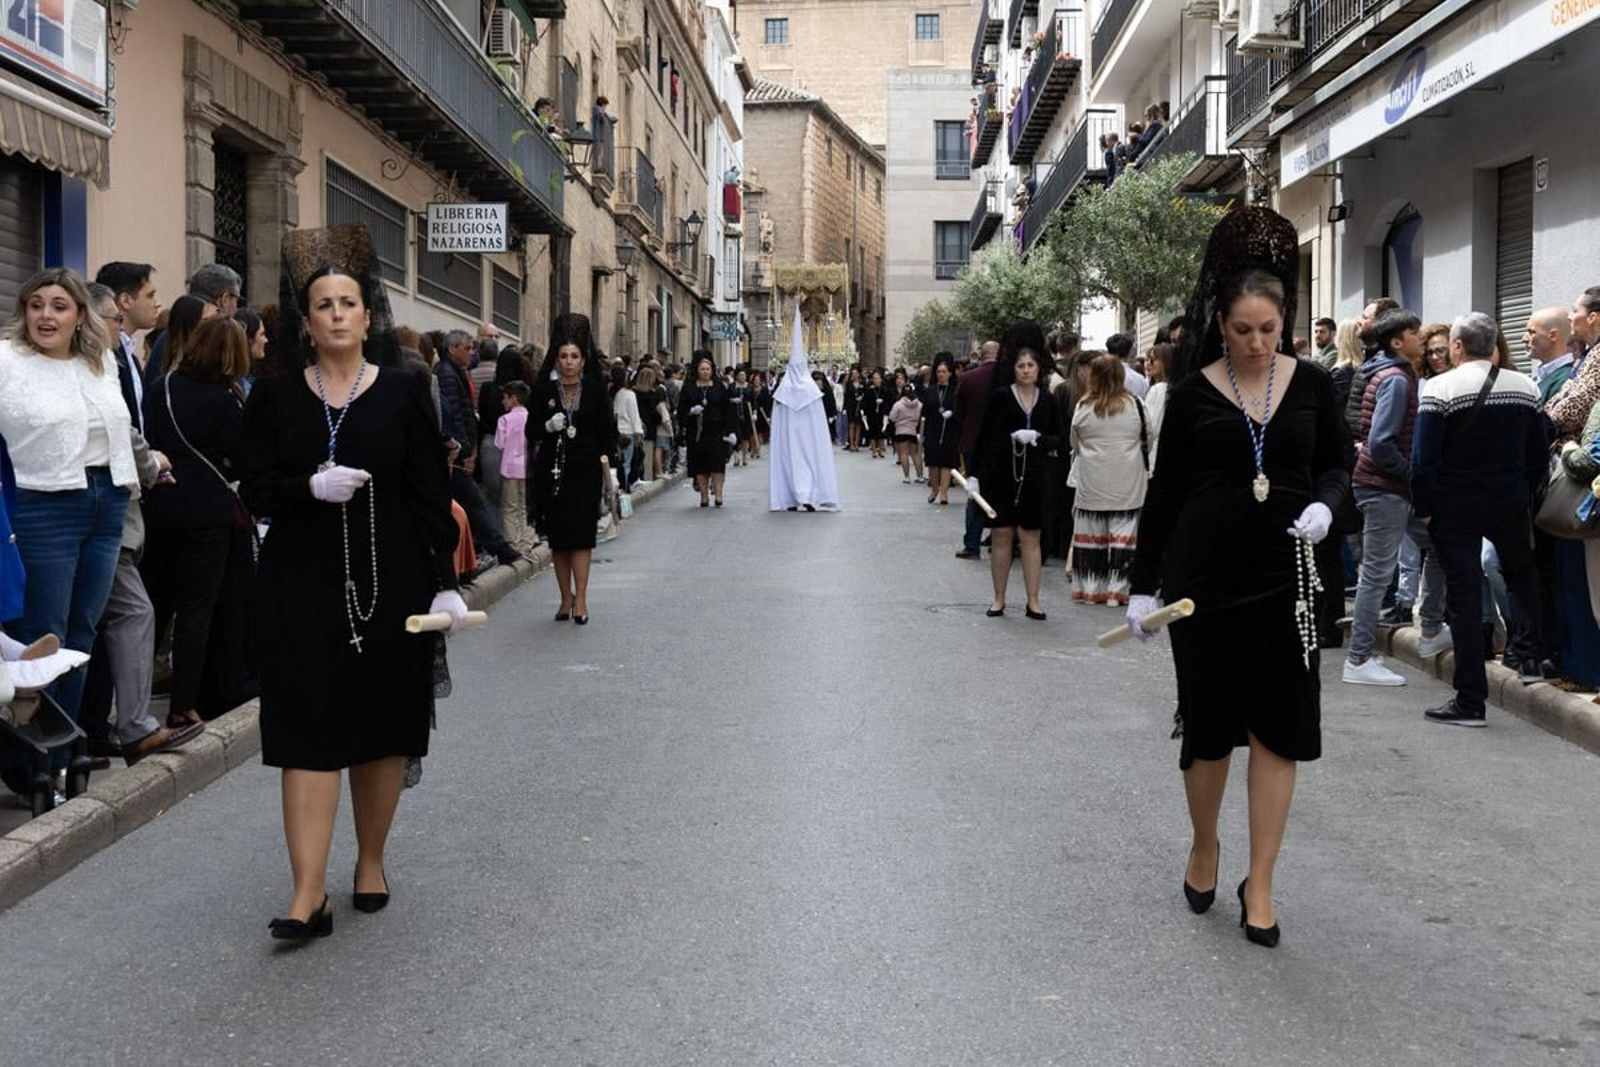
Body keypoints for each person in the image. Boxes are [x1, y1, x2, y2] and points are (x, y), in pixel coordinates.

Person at [1126, 207, 1348, 948]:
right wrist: (1141, 582)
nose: (1258, 342)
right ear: (1220, 324)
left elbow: (1338, 468)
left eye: (1269, 328)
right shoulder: (1190, 397)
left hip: (1288, 578)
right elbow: (1164, 494)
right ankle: (1203, 843)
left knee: (1277, 730)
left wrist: (1324, 504)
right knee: (1211, 729)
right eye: (1244, 329)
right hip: (1205, 583)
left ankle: (1262, 879)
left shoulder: (1314, 385)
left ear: (1286, 320)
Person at [241, 224, 467, 939]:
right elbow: (256, 487)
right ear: (306, 324)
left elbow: (432, 495)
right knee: (305, 732)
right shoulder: (275, 399)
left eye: (348, 302)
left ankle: (370, 859)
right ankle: (307, 893)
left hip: (390, 585)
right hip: (300, 586)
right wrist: (309, 486)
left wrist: (444, 582)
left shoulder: (404, 392)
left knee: (379, 728)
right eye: (323, 305)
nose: (337, 314)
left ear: (369, 317)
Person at [0, 269, 141, 797]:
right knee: (44, 637)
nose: (45, 316)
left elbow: (119, 430)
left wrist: (129, 483)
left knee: (81, 636)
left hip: (106, 502)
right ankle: (26, 766)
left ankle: (62, 759)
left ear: (79, 314)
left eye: (58, 306)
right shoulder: (7, 361)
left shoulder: (98, 360)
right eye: (35, 305)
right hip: (41, 505)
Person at [1411, 312, 1549, 727]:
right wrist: (1522, 493)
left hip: (1455, 507)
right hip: (1509, 502)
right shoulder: (1526, 387)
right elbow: (1538, 455)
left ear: (1456, 346)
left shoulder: (1439, 388)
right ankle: (1531, 660)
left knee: (1465, 598)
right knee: (1524, 580)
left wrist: (1426, 509)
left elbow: (1423, 461)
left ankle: (1470, 700)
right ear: (1492, 346)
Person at [141, 316, 252, 732]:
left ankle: (130, 705)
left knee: (152, 608)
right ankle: (184, 704)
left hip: (161, 505)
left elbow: (148, 439)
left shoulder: (161, 388)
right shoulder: (226, 400)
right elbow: (242, 457)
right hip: (208, 513)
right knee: (196, 612)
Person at [1341, 309, 1449, 687]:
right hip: (1385, 488)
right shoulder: (1397, 380)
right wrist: (1413, 477)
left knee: (1439, 544)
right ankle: (1358, 660)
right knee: (1376, 573)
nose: (1422, 338)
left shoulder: (1389, 373)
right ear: (1397, 342)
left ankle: (1431, 631)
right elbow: (1381, 443)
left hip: (1386, 488)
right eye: (1415, 332)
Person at [529, 314, 617, 620]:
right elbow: (531, 430)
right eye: (563, 356)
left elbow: (607, 433)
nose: (568, 362)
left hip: (585, 472)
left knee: (581, 536)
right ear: (555, 359)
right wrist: (548, 427)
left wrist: (611, 471)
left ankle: (581, 599)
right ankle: (564, 597)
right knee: (559, 538)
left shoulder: (595, 390)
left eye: (574, 356)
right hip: (552, 473)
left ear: (583, 359)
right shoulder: (543, 390)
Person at [976, 346, 1062, 619]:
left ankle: (1033, 600)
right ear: (1013, 370)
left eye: (1030, 365)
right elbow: (986, 437)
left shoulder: (1048, 400)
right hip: (1002, 474)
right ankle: (998, 598)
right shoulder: (1001, 397)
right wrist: (974, 475)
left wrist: (1036, 436)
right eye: (1021, 366)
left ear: (1039, 369)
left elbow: (1059, 438)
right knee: (1001, 535)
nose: (1026, 370)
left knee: (1031, 536)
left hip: (1035, 476)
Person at [1070, 354, 1150, 607]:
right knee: (1124, 536)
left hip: (1092, 478)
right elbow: (1149, 433)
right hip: (1128, 478)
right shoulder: (1135, 404)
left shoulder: (1084, 406)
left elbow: (1075, 442)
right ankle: (1119, 590)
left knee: (1091, 534)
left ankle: (1092, 589)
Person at [768, 309, 840, 512]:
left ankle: (803, 495)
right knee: (799, 462)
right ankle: (798, 495)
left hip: (800, 439)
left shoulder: (791, 391)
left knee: (798, 462)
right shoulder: (806, 390)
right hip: (801, 439)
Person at [954, 340, 1001, 559]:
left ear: (981, 355)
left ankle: (972, 544)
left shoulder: (968, 378)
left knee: (975, 492)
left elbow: (959, 413)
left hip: (973, 441)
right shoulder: (1007, 376)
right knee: (1002, 491)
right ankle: (998, 538)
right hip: (1002, 443)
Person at [678, 352, 735, 507]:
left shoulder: (720, 387)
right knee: (700, 465)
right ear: (697, 370)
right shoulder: (688, 388)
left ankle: (718, 494)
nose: (705, 372)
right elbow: (681, 409)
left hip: (716, 430)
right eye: (702, 369)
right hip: (697, 432)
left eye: (707, 369)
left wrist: (731, 431)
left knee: (717, 464)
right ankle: (703, 496)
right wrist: (691, 411)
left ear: (712, 371)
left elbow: (728, 410)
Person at [495, 381, 532, 552]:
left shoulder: (504, 420)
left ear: (513, 399)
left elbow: (500, 443)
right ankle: (527, 539)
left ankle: (512, 542)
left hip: (509, 467)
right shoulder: (530, 416)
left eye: (505, 398)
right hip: (527, 466)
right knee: (524, 504)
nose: (503, 402)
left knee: (510, 507)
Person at [922, 356, 960, 505]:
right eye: (938, 371)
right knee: (932, 460)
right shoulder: (931, 390)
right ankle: (934, 489)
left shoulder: (956, 390)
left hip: (950, 429)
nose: (941, 374)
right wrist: (922, 431)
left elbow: (961, 408)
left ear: (950, 373)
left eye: (944, 371)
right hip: (933, 428)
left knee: (946, 461)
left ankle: (944, 492)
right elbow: (925, 411)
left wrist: (953, 413)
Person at [611, 362, 643, 481]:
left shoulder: (612, 393)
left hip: (616, 431)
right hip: (628, 432)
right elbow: (634, 415)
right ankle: (624, 487)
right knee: (626, 463)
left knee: (618, 462)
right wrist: (638, 433)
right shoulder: (629, 394)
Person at [888, 384, 925, 484]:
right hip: (913, 431)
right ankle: (920, 476)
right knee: (915, 454)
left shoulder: (898, 404)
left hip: (901, 431)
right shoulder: (919, 404)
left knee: (903, 454)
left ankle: (907, 477)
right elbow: (923, 415)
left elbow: (892, 417)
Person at [859, 368, 890, 458]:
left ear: (881, 379)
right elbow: (864, 403)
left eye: (878, 378)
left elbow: (888, 401)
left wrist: (882, 402)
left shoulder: (885, 390)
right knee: (872, 432)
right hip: (871, 413)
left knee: (881, 432)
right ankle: (873, 450)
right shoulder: (869, 391)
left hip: (882, 413)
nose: (876, 380)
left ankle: (881, 450)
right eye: (874, 378)